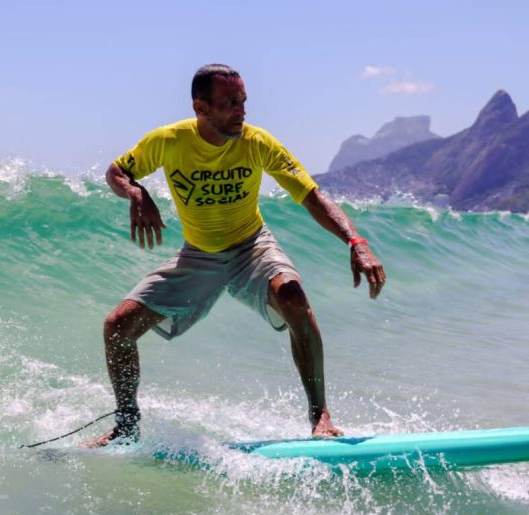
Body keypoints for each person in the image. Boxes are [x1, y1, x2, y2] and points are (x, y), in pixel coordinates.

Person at [87, 64, 385, 447]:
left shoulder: (258, 143)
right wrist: (135, 193)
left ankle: (320, 416)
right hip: (199, 255)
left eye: (243, 101)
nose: (242, 111)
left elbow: (311, 196)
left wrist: (356, 242)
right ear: (201, 108)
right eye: (230, 103)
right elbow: (116, 171)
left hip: (251, 246)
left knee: (291, 294)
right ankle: (126, 426)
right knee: (117, 326)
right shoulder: (168, 141)